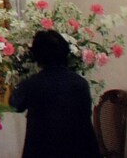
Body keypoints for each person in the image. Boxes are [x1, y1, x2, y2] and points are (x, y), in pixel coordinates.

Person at [11, 30, 102, 158]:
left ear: (37, 56)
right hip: (80, 150)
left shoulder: (32, 84)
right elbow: (86, 114)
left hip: (43, 151)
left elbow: (15, 104)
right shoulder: (80, 83)